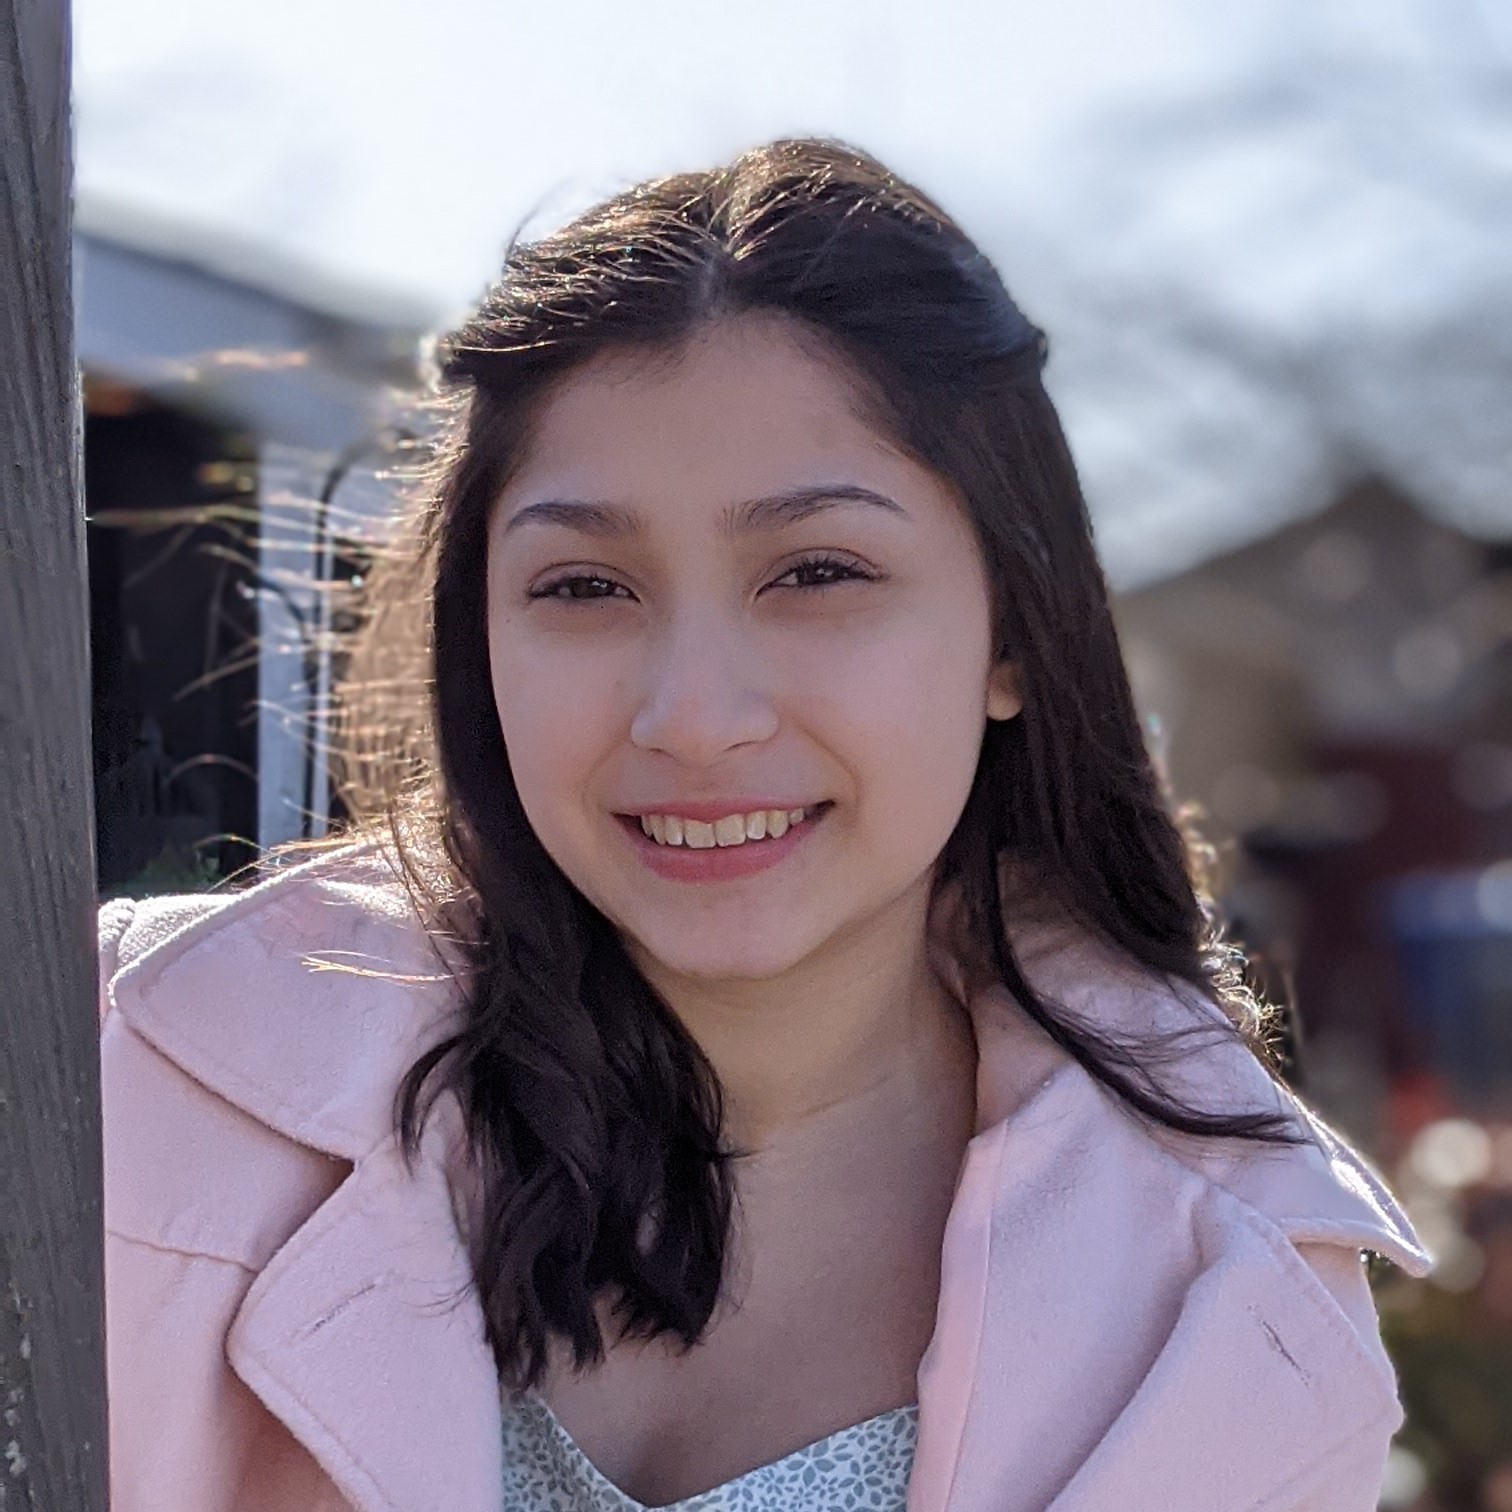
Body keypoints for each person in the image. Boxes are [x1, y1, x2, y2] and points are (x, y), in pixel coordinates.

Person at [98, 139, 1431, 1512]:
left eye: (816, 571)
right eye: (584, 588)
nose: (692, 715)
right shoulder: (130, 1092)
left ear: (1012, 634)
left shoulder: (1226, 1312)